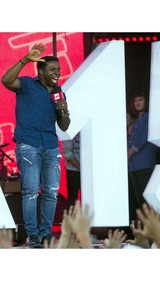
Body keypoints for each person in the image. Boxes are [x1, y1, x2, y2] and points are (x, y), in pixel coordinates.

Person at [1, 43, 71, 247]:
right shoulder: (26, 85)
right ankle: (33, 236)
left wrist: (63, 109)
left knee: (50, 192)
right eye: (52, 69)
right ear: (40, 71)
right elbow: (6, 80)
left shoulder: (59, 93)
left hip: (50, 146)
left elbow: (64, 125)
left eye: (58, 69)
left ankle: (45, 234)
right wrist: (24, 59)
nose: (57, 72)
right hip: (28, 145)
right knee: (31, 192)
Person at [127, 92, 157, 221]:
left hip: (144, 163)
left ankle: (154, 232)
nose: (138, 103)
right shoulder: (136, 120)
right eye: (135, 100)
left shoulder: (149, 118)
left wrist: (129, 153)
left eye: (141, 100)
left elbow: (143, 139)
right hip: (133, 165)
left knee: (146, 200)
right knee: (139, 200)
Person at [61, 132, 81, 208]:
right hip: (73, 171)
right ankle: (71, 219)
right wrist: (80, 168)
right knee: (72, 201)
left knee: (90, 198)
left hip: (88, 169)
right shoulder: (69, 129)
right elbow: (66, 152)